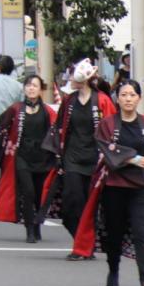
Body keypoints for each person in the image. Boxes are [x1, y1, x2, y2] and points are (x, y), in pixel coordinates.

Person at [71, 80, 144, 286]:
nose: (128, 99)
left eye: (132, 95)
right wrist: (132, 159)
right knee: (115, 233)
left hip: (143, 186)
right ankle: (113, 273)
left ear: (139, 98)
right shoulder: (107, 125)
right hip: (114, 186)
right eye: (124, 95)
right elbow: (103, 146)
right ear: (117, 99)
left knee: (142, 232)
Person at [46, 58, 118, 259]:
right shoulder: (69, 101)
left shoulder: (102, 100)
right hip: (72, 158)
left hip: (96, 159)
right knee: (71, 203)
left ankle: (84, 247)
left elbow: (113, 129)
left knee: (90, 207)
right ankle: (83, 241)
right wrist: (57, 153)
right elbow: (59, 126)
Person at [0, 75, 57, 243]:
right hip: (22, 156)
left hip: (43, 158)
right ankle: (29, 230)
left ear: (41, 89)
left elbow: (57, 134)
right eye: (28, 85)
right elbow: (1, 131)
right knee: (28, 191)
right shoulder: (15, 109)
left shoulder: (48, 112)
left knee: (39, 194)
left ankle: (37, 225)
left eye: (35, 85)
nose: (31, 88)